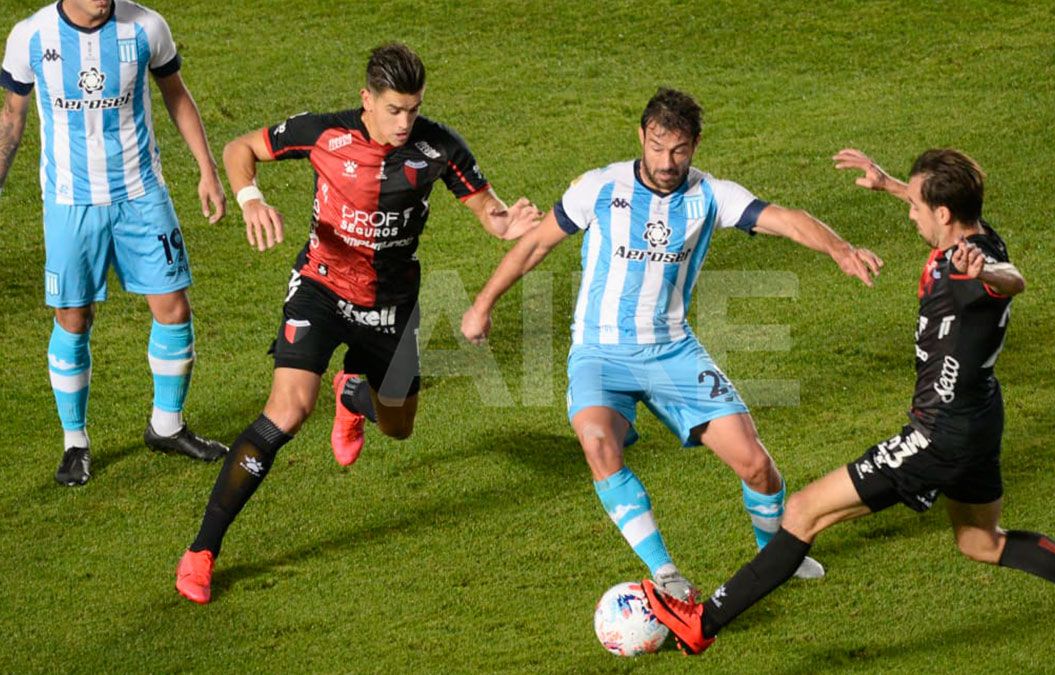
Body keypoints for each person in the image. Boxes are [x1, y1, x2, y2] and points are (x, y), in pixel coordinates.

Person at [639, 147, 1055, 653]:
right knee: (980, 541)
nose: (910, 214)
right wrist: (888, 184)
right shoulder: (978, 234)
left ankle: (702, 624)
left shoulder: (971, 269)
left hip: (938, 434)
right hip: (978, 417)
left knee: (802, 511)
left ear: (943, 213)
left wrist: (986, 274)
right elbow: (969, 240)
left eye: (915, 205)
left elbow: (1013, 281)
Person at [461, 88, 882, 600]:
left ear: (695, 144)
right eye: (657, 147)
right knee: (597, 441)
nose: (666, 162)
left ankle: (775, 557)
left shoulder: (711, 195)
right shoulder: (599, 187)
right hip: (599, 352)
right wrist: (482, 305)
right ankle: (665, 572)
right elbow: (534, 245)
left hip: (672, 351)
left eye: (679, 150)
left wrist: (839, 248)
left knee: (756, 465)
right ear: (641, 136)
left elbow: (787, 219)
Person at [173, 43, 541, 604]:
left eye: (413, 109)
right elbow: (239, 147)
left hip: (391, 305)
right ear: (366, 99)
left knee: (398, 426)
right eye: (394, 109)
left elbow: (488, 209)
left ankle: (351, 394)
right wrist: (249, 198)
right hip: (320, 290)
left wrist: (506, 224)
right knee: (286, 412)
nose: (404, 122)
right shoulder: (325, 133)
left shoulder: (439, 147)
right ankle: (202, 550)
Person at [0, 0, 230, 487]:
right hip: (70, 202)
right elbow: (12, 118)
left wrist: (207, 170)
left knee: (173, 307)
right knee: (74, 317)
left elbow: (176, 95)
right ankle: (75, 443)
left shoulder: (146, 26)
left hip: (142, 194)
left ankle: (167, 425)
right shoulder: (31, 36)